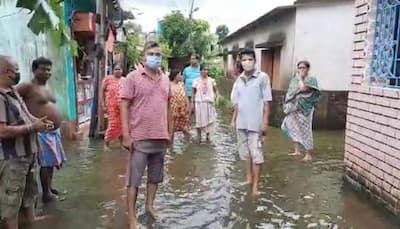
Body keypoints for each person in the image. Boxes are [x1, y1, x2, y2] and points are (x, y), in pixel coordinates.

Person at [120, 41, 172, 229]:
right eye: (151, 53)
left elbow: (168, 106)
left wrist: (170, 133)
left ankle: (149, 206)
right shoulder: (132, 78)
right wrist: (126, 135)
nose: (155, 57)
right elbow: (124, 105)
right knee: (134, 179)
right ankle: (132, 218)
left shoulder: (166, 79)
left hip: (160, 137)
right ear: (143, 56)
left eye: (158, 54)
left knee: (155, 177)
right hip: (139, 138)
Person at [0, 55, 53, 229]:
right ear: (5, 71)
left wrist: (40, 122)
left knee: (30, 190)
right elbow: (2, 131)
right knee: (11, 197)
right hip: (12, 156)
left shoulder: (13, 91)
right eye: (15, 69)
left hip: (28, 152)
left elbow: (26, 115)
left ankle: (31, 220)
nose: (17, 72)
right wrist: (32, 128)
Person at [17, 57, 67, 203]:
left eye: (49, 69)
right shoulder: (27, 86)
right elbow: (12, 100)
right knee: (45, 163)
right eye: (43, 69)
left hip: (52, 133)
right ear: (34, 70)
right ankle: (46, 193)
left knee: (50, 163)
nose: (47, 72)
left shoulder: (45, 87)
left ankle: (49, 188)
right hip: (41, 132)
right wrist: (30, 119)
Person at [230, 49, 272, 196]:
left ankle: (255, 186)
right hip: (242, 124)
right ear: (240, 62)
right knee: (245, 154)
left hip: (256, 124)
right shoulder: (239, 80)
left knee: (256, 155)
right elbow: (236, 103)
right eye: (244, 60)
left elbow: (266, 102)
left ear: (255, 60)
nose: (247, 62)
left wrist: (265, 122)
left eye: (250, 59)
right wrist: (234, 120)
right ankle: (248, 179)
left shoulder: (262, 78)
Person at [281, 60, 321, 162]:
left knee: (306, 130)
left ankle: (308, 154)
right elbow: (291, 92)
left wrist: (300, 78)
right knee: (291, 125)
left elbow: (303, 89)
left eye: (303, 68)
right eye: (299, 68)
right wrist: (288, 103)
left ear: (308, 69)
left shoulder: (311, 80)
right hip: (294, 108)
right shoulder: (294, 80)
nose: (301, 70)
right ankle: (297, 150)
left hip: (306, 109)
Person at [192, 64, 218, 143]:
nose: (205, 71)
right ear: (200, 71)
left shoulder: (212, 80)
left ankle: (208, 136)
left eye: (206, 70)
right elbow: (193, 92)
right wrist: (192, 103)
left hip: (209, 103)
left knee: (209, 120)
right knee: (199, 120)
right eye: (203, 69)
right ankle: (199, 136)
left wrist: (216, 98)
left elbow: (216, 90)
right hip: (199, 103)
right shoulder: (196, 80)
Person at [101, 64, 123, 150]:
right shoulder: (108, 79)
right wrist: (103, 104)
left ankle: (122, 144)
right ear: (113, 70)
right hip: (111, 107)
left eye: (119, 69)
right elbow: (102, 91)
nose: (118, 71)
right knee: (112, 125)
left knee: (122, 126)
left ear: (122, 70)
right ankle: (106, 144)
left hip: (121, 108)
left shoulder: (125, 80)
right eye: (116, 69)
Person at [169, 70, 190, 145]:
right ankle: (171, 147)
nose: (181, 76)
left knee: (185, 129)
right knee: (172, 130)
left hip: (183, 110)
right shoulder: (169, 85)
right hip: (173, 110)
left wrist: (188, 106)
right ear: (175, 76)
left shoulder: (182, 84)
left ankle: (187, 145)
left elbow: (186, 96)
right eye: (180, 75)